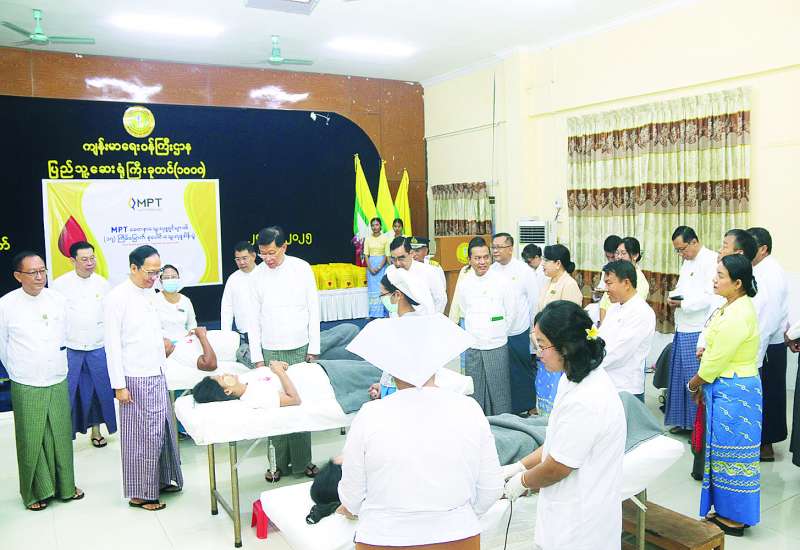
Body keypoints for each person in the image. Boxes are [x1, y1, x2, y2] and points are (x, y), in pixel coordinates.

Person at [338, 313, 503, 549]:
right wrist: (455, 517)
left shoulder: (370, 414)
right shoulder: (468, 408)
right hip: (458, 538)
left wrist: (382, 516)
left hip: (383, 538)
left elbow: (351, 495)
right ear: (437, 363)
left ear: (389, 370)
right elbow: (491, 488)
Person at [503, 300, 626, 550]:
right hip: (568, 514)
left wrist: (522, 481)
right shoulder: (572, 377)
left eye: (542, 345)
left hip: (582, 525)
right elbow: (557, 442)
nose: (538, 353)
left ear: (566, 347)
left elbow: (557, 467)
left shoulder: (587, 399)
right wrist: (518, 466)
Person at [0, 251, 84, 511]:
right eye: (33, 272)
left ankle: (66, 486)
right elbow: (2, 346)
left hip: (56, 374)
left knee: (60, 433)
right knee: (31, 436)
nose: (40, 277)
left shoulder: (57, 300)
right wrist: (18, 370)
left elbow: (66, 334)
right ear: (18, 276)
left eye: (42, 271)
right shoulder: (6, 305)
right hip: (25, 379)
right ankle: (36, 492)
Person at [687, 254, 761, 536]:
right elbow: (717, 347)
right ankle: (728, 511)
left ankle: (736, 517)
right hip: (727, 386)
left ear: (738, 283)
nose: (714, 280)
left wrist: (694, 384)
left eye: (720, 276)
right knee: (721, 452)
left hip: (736, 390)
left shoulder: (739, 313)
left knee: (733, 455)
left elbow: (717, 359)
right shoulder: (730, 306)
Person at [104, 245, 183, 512]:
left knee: (161, 430)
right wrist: (119, 386)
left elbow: (146, 333)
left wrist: (163, 345)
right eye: (149, 272)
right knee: (141, 437)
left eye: (157, 272)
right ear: (133, 268)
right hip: (134, 377)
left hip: (157, 371)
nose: (154, 277)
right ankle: (141, 494)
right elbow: (112, 345)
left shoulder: (151, 294)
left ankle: (161, 480)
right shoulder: (117, 298)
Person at [247, 226, 320, 482]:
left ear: (284, 247)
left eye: (272, 253)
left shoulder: (302, 268)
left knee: (299, 405)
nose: (267, 258)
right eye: (263, 253)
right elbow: (252, 318)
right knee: (274, 405)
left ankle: (303, 462)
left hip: (300, 346)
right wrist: (257, 356)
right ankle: (276, 464)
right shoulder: (256, 276)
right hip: (271, 349)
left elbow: (314, 308)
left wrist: (314, 348)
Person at [51, 241, 116, 448]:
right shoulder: (59, 286)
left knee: (99, 391)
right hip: (71, 348)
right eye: (84, 259)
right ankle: (64, 435)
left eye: (92, 258)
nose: (90, 263)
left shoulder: (103, 284)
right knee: (69, 393)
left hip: (97, 347)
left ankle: (96, 431)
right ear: (72, 261)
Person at [451, 237, 516, 415]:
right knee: (475, 392)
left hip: (496, 344)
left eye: (486, 257)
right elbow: (465, 309)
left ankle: (503, 426)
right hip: (473, 345)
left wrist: (497, 331)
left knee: (500, 393)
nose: (482, 262)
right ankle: (479, 424)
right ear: (469, 260)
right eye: (477, 258)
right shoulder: (465, 283)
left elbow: (511, 313)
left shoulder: (502, 281)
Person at [664, 226, 718, 434]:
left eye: (682, 249)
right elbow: (683, 288)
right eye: (677, 250)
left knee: (694, 377)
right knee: (680, 376)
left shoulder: (711, 260)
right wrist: (674, 297)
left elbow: (710, 297)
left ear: (694, 242)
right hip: (683, 325)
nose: (681, 254)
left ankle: (698, 428)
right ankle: (684, 422)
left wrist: (683, 304)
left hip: (697, 327)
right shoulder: (687, 261)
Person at [748, 227, 789, 463]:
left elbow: (769, 318)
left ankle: (766, 445)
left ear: (763, 249)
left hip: (768, 344)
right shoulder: (758, 268)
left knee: (769, 395)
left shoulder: (771, 272)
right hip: (761, 342)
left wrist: (757, 353)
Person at [491, 232, 539, 415]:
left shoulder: (524, 271)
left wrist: (533, 329)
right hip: (497, 330)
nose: (495, 251)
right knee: (502, 371)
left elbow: (533, 302)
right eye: (493, 247)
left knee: (521, 371)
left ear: (510, 249)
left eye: (499, 247)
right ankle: (505, 409)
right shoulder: (492, 270)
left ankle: (527, 407)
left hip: (519, 330)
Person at [369, 268, 435, 400]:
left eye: (383, 295)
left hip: (405, 392)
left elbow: (411, 367)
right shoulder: (401, 321)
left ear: (397, 295)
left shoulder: (410, 326)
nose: (382, 299)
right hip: (393, 387)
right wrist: (383, 384)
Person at [534, 244, 583, 415]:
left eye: (546, 260)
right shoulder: (548, 282)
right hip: (543, 348)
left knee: (557, 398)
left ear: (558, 263)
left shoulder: (569, 284)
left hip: (558, 352)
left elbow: (569, 323)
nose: (542, 264)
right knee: (544, 394)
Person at [597, 260, 655, 401]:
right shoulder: (614, 308)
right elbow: (600, 340)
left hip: (626, 388)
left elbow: (620, 352)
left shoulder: (641, 312)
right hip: (607, 382)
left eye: (609, 283)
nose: (605, 289)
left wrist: (588, 365)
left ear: (626, 283)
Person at [192, 360, 301, 408]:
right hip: (308, 378)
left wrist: (279, 367)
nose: (225, 374)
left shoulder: (244, 379)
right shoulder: (254, 397)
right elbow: (294, 399)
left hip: (302, 368)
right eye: (222, 378)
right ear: (227, 391)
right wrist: (280, 371)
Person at [220, 241, 261, 367]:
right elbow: (227, 308)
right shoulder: (233, 279)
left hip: (265, 332)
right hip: (244, 334)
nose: (241, 262)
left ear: (253, 256)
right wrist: (226, 334)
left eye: (244, 258)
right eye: (238, 259)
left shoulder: (264, 274)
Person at [598, 237, 650, 324]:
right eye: (617, 253)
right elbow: (603, 304)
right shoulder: (614, 274)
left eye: (623, 253)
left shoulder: (641, 282)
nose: (618, 257)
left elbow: (632, 311)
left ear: (635, 256)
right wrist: (603, 326)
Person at [386, 237, 444, 314]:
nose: (397, 263)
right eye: (393, 259)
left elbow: (440, 299)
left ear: (411, 253)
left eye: (401, 258)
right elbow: (388, 298)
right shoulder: (389, 271)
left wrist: (433, 318)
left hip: (424, 319)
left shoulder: (429, 271)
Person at [153, 264, 197, 343]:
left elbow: (192, 324)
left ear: (178, 279)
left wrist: (191, 335)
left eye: (173, 277)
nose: (170, 280)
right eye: (166, 278)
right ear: (161, 281)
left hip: (185, 343)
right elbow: (151, 328)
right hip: (163, 345)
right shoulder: (153, 300)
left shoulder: (186, 301)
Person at [363, 217, 390, 318]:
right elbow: (366, 255)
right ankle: (374, 313)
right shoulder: (368, 239)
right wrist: (370, 268)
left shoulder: (385, 238)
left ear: (380, 226)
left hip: (382, 266)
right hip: (370, 266)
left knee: (382, 289)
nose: (375, 227)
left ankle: (383, 313)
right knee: (373, 290)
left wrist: (379, 267)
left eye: (377, 225)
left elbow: (386, 254)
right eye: (373, 225)